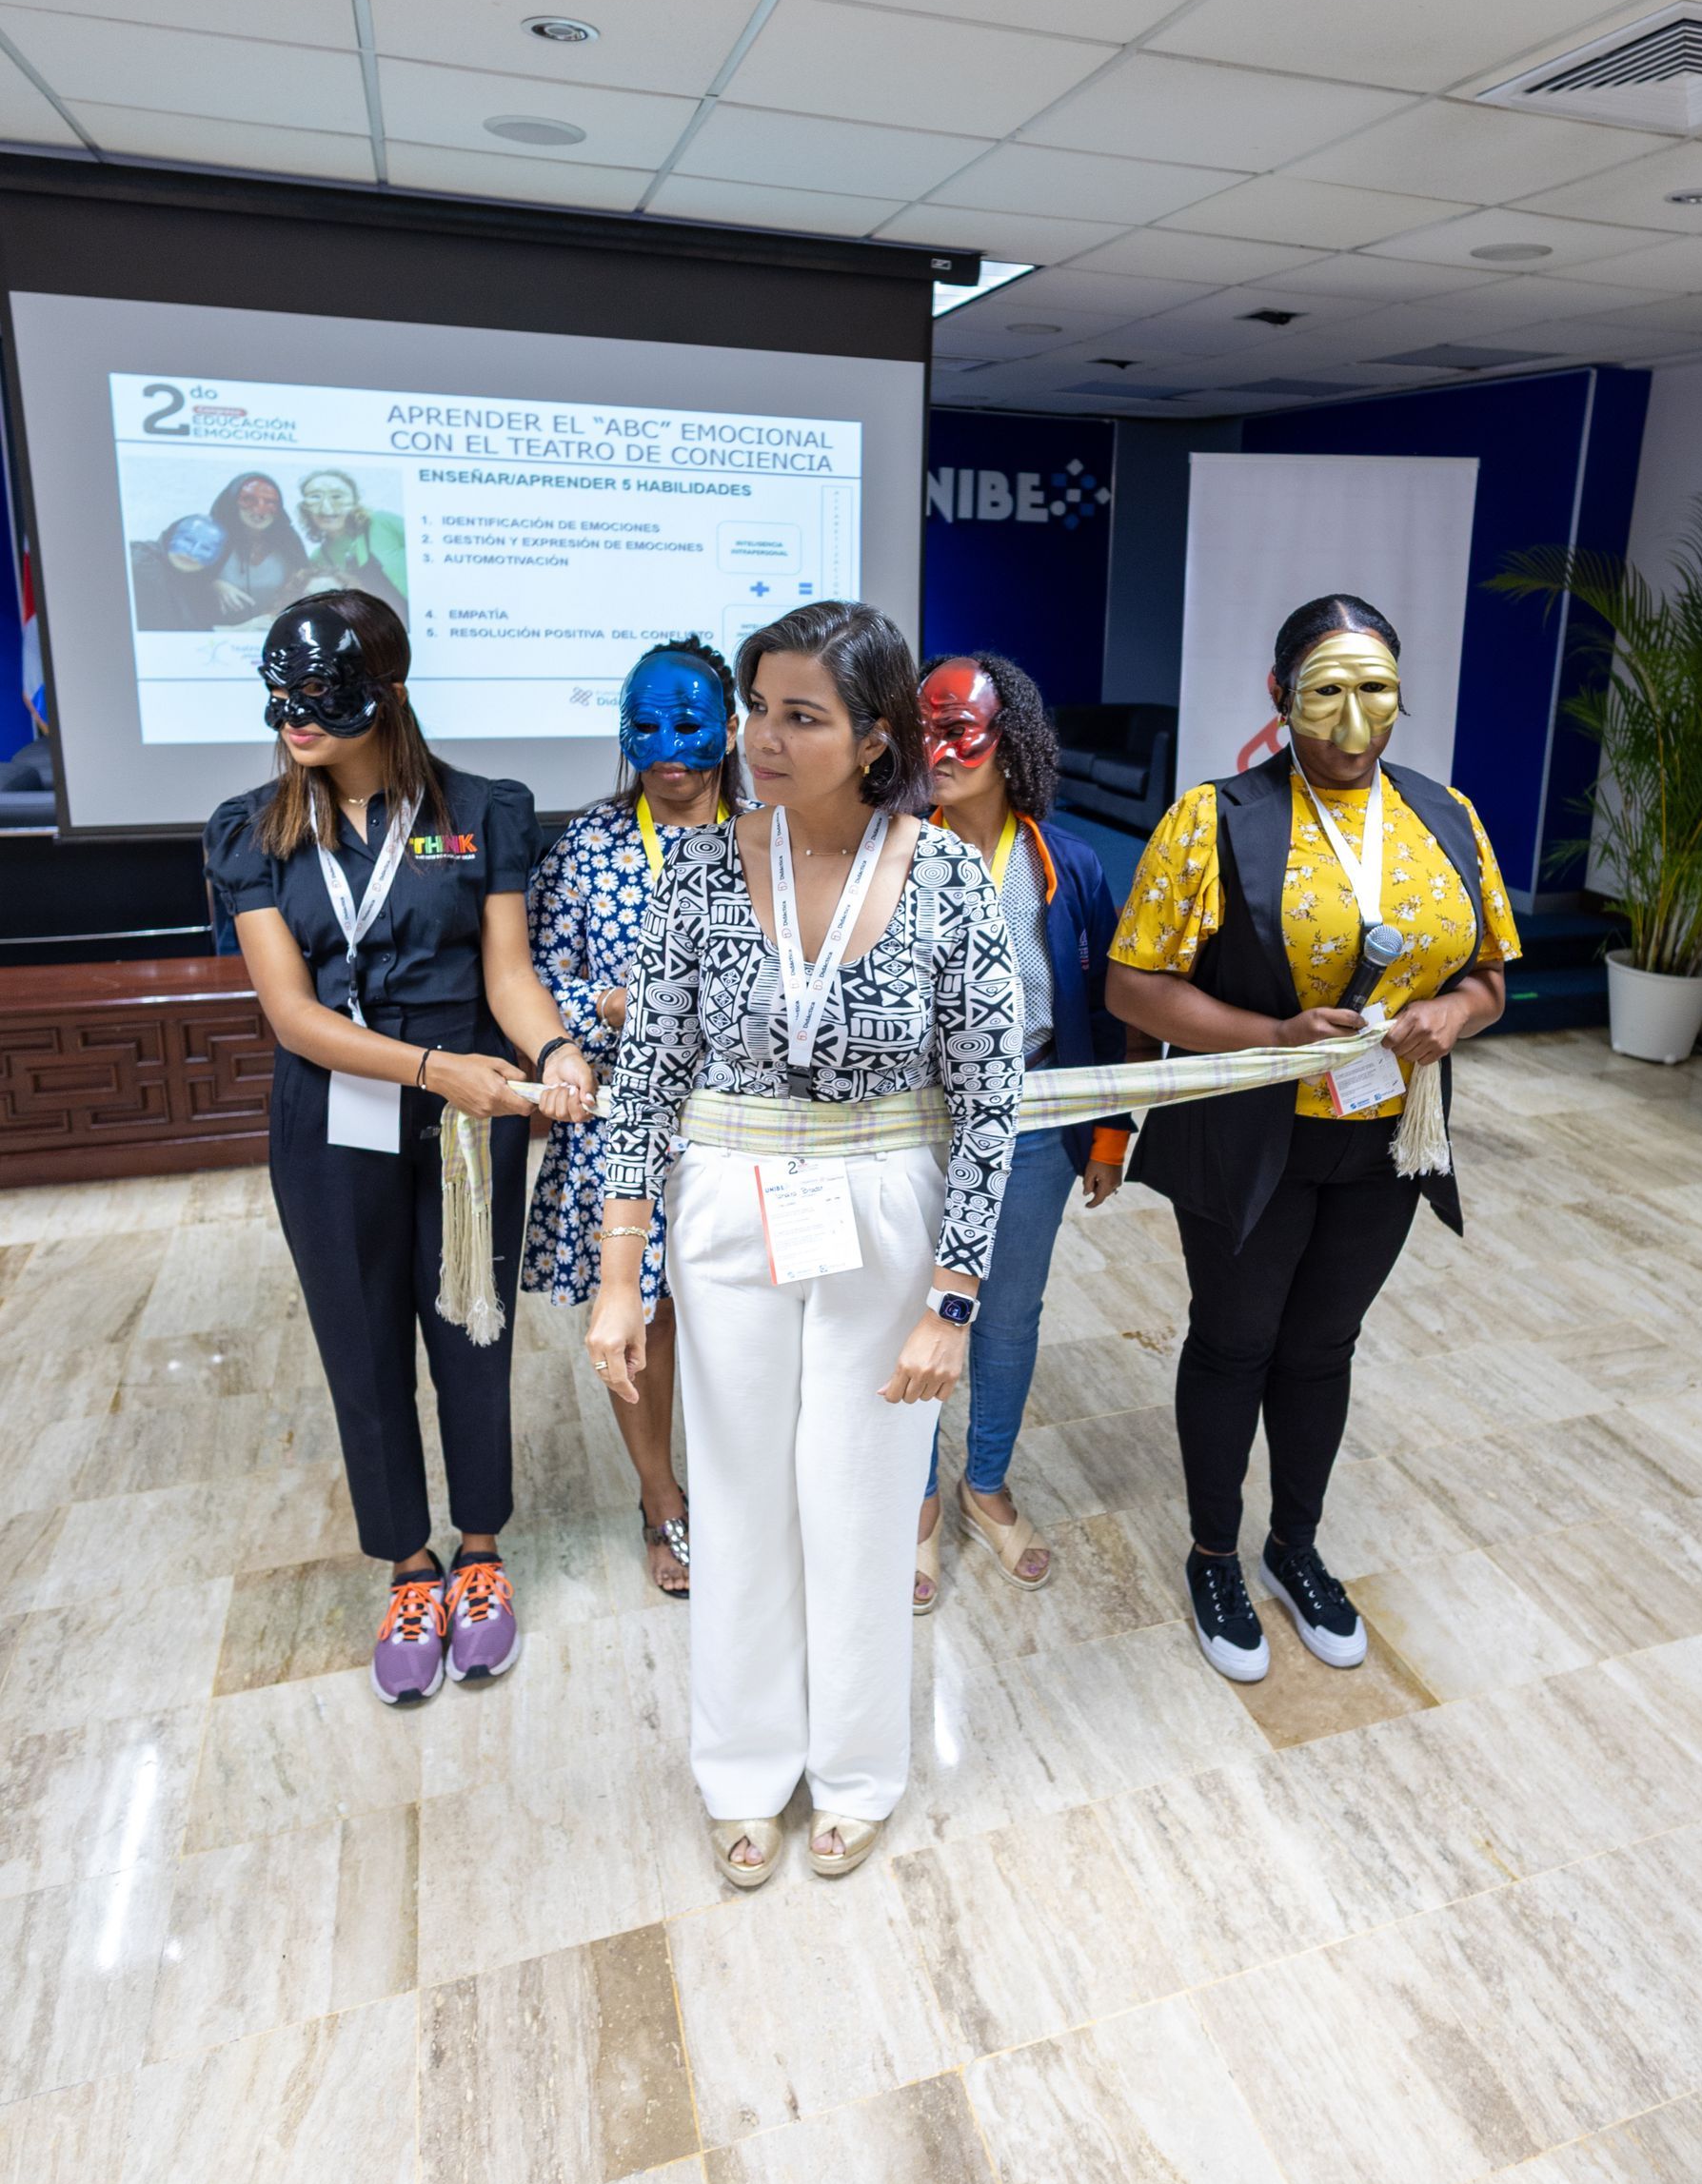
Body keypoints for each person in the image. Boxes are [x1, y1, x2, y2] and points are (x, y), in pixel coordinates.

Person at [585, 600, 1021, 1890]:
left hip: (887, 1208)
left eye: (799, 717)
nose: (760, 740)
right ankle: (741, 1767)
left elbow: (991, 1095)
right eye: (756, 712)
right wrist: (620, 1277)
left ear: (876, 738)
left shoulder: (948, 876)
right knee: (736, 1497)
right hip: (730, 1200)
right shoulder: (700, 869)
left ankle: (857, 1772)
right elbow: (646, 1076)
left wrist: (953, 1298)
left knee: (860, 1499)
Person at [1105, 594, 1519, 1683]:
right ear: (1279, 697)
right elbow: (1133, 987)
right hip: (1254, 1136)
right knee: (1235, 1342)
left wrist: (1454, 1014)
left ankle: (1294, 1546)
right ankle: (1213, 1555)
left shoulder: (1445, 815)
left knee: (1324, 1346)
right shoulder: (1216, 818)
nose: (1352, 721)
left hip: (1389, 1140)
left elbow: (1489, 975)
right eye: (1326, 692)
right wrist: (1276, 1035)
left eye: (1374, 691)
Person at [205, 588, 597, 1705]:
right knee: (361, 1343)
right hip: (338, 1114)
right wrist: (434, 1069)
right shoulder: (253, 829)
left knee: (472, 1328)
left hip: (470, 1119)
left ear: (388, 690)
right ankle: (410, 1568)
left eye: (318, 694)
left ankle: (480, 1552)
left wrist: (555, 1048)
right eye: (279, 695)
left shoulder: (481, 812)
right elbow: (291, 1014)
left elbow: (508, 975)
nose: (295, 717)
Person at [522, 637, 743, 1597]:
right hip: (625, 1125)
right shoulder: (588, 845)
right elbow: (536, 977)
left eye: (688, 724)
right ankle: (661, 1500)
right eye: (644, 725)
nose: (667, 747)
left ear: (729, 730)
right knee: (640, 1320)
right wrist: (610, 1007)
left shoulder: (774, 835)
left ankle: (746, 1493)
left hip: (745, 1124)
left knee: (742, 1315)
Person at [912, 652, 1130, 1608]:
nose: (937, 750)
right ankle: (916, 1500)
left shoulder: (1066, 862)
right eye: (923, 730)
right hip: (914, 1126)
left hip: (1037, 1121)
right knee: (911, 1313)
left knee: (1007, 1316)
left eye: (960, 731)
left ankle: (986, 1483)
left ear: (1014, 743)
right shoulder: (890, 853)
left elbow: (1108, 1005)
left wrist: (1109, 1130)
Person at [296, 468, 409, 602]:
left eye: (337, 497)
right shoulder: (318, 558)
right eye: (315, 497)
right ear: (305, 507)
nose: (326, 507)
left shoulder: (381, 522)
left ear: (355, 501)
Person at [208, 471, 308, 619]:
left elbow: (304, 585)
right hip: (219, 628)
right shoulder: (214, 538)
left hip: (273, 625)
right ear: (232, 503)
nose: (259, 511)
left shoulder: (288, 541)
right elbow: (188, 580)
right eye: (249, 500)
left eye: (269, 502)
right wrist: (214, 584)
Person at [129, 513, 228, 630]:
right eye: (187, 540)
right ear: (170, 536)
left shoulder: (198, 588)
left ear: (216, 558)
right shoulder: (140, 560)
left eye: (206, 548)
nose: (192, 552)